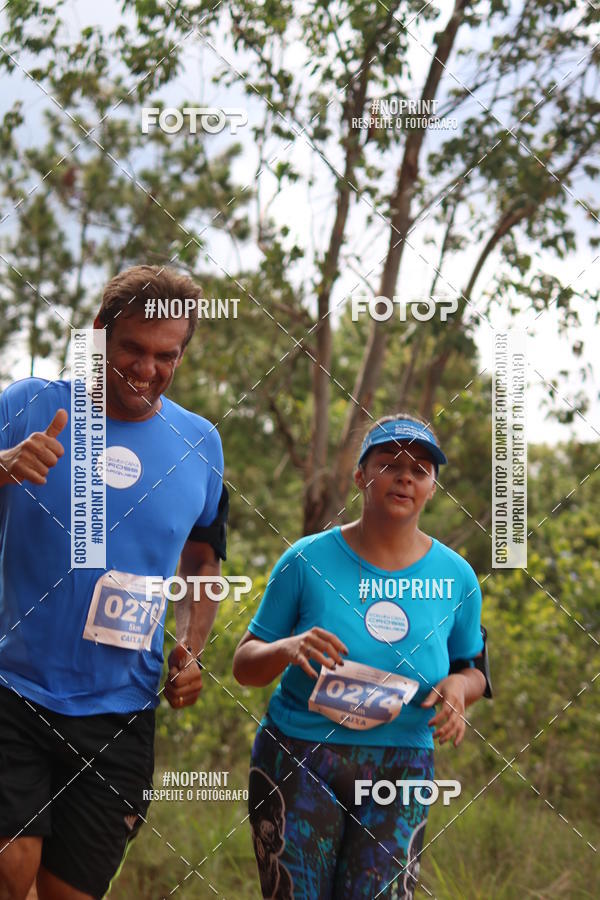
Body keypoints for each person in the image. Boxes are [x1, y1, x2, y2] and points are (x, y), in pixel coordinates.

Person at [0, 265, 229, 900]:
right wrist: (3, 465)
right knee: (9, 869)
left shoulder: (200, 445)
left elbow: (204, 557)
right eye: (132, 348)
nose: (146, 369)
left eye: (166, 356)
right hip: (12, 688)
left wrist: (192, 643)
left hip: (120, 710)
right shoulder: (27, 405)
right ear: (100, 334)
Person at [233, 414, 491, 900]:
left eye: (420, 470)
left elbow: (471, 669)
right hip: (299, 754)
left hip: (403, 764)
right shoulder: (306, 561)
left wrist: (460, 688)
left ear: (433, 487)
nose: (405, 477)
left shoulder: (457, 577)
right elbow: (244, 664)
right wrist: (288, 648)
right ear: (361, 477)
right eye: (390, 463)